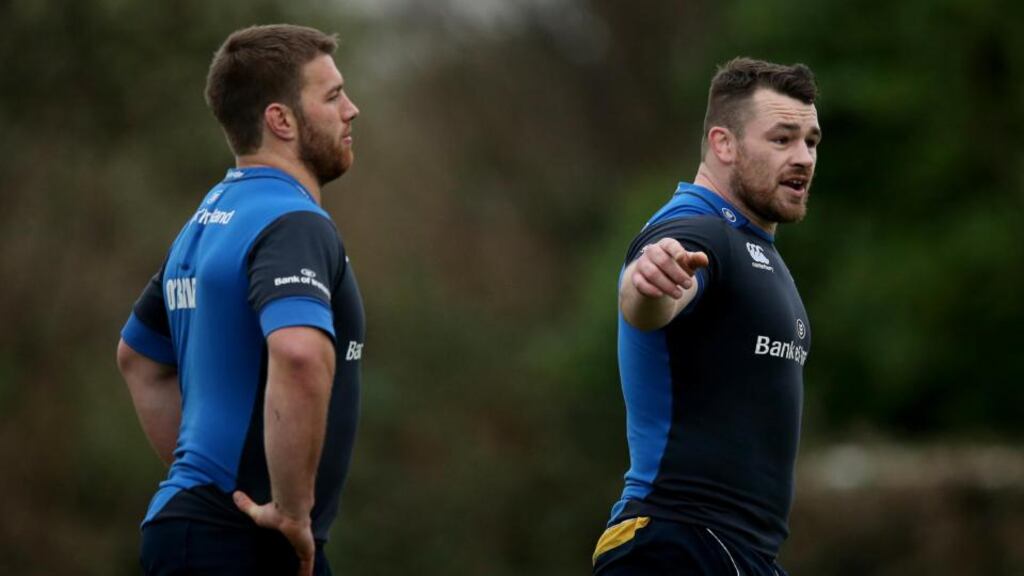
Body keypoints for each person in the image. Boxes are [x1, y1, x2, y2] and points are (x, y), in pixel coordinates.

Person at [116, 24, 362, 576]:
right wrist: (291, 510)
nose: (352, 109)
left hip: (191, 526)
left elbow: (138, 358)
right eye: (332, 96)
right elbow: (299, 353)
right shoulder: (295, 223)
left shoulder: (204, 224)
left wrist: (202, 474)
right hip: (247, 538)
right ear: (281, 120)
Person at [592, 58, 821, 576]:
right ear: (723, 144)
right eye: (782, 139)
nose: (803, 157)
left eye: (811, 141)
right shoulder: (697, 228)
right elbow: (650, 292)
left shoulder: (756, 247)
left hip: (737, 551)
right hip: (675, 542)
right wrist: (649, 284)